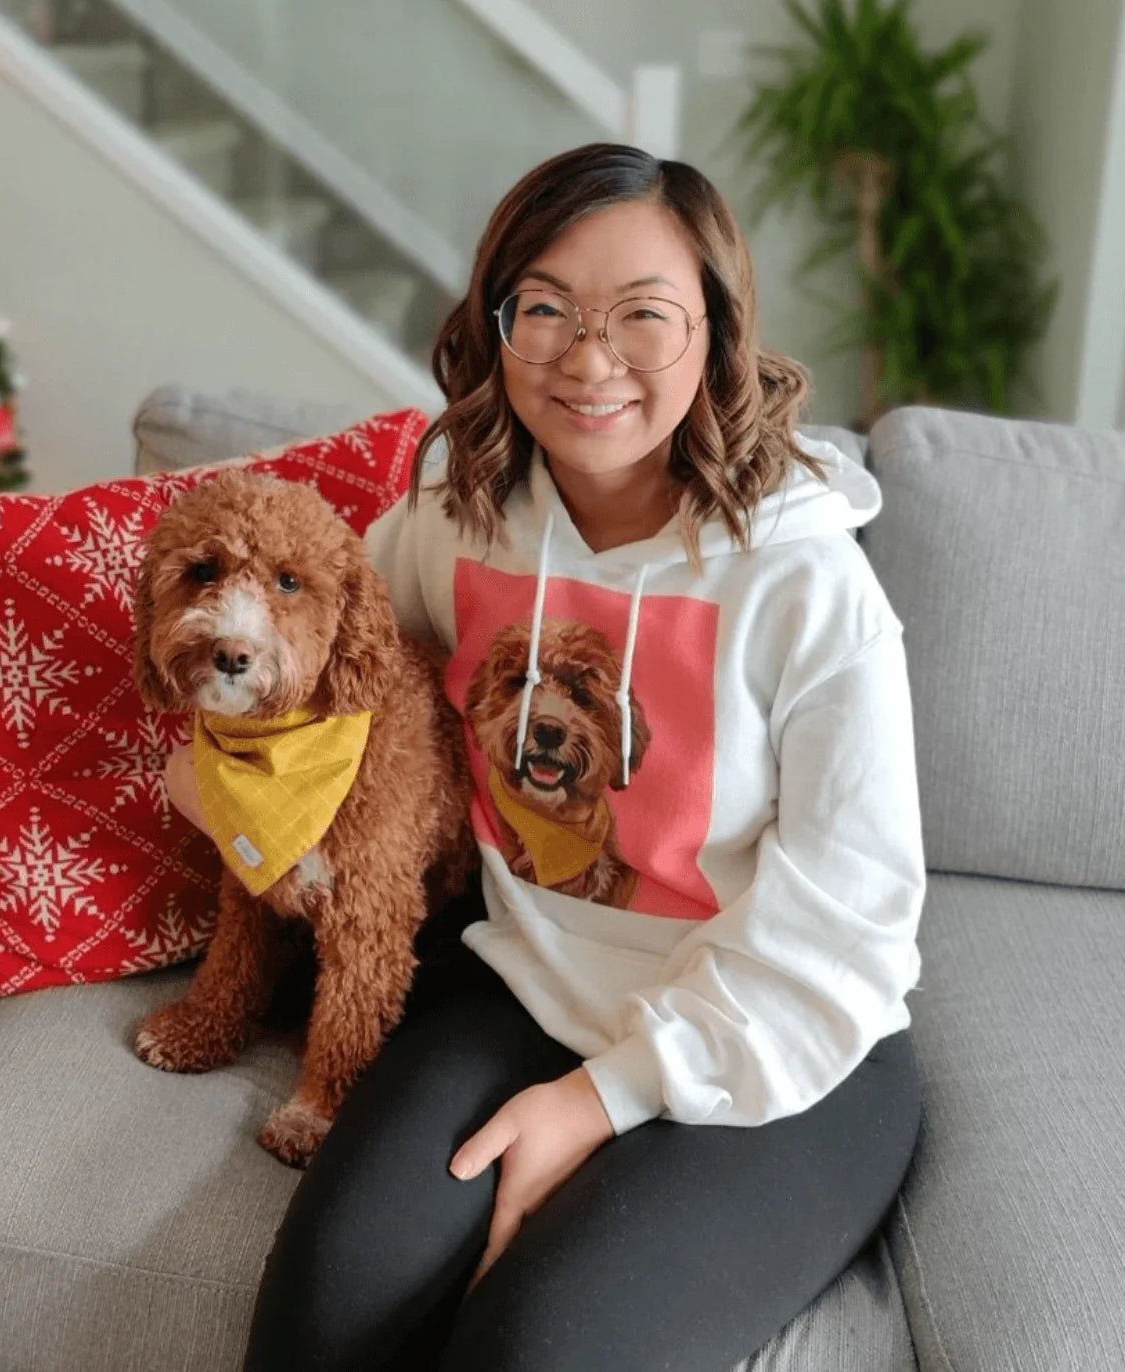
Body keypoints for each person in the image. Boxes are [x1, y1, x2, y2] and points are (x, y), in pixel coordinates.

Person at [170, 142, 926, 1371]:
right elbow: (319, 665)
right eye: (546, 309)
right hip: (521, 988)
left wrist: (594, 1104)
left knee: (535, 1350)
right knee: (323, 1314)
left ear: (715, 331)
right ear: (495, 323)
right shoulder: (457, 520)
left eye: (642, 315)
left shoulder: (809, 583)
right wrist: (217, 783)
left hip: (780, 1043)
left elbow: (850, 921)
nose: (588, 359)